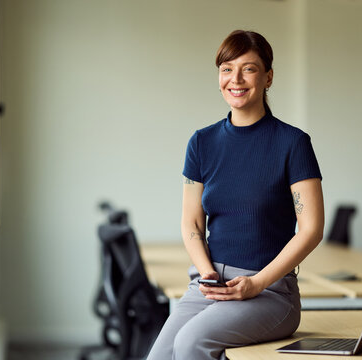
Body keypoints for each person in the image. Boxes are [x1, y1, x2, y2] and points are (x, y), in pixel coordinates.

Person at [146, 30, 324, 360]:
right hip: (210, 283)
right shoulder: (202, 142)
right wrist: (206, 272)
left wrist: (256, 283)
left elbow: (311, 229)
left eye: (249, 68)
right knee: (159, 356)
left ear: (268, 77)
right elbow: (192, 222)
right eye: (227, 68)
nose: (236, 79)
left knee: (191, 343)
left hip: (270, 292)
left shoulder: (293, 144)